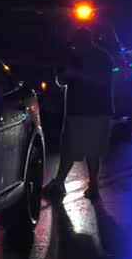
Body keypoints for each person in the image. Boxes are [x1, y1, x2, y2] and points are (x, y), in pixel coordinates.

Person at [45, 27, 114, 200]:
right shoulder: (73, 57)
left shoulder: (102, 58)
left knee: (91, 150)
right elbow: (62, 81)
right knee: (69, 149)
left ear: (86, 42)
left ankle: (91, 185)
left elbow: (102, 80)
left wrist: (77, 74)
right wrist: (60, 72)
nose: (75, 47)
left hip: (95, 110)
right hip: (77, 110)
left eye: (77, 44)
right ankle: (60, 183)